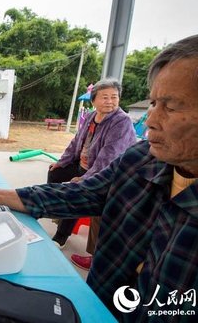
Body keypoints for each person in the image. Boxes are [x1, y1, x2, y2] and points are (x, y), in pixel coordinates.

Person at [0, 28, 198, 321]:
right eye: (154, 103)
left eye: (172, 106)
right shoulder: (141, 160)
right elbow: (84, 191)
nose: (150, 120)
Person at [48, 78, 136, 271]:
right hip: (85, 165)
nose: (110, 101)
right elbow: (76, 142)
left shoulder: (121, 122)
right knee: (55, 173)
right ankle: (58, 212)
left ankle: (62, 235)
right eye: (104, 97)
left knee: (76, 191)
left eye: (114, 97)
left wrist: (85, 179)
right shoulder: (90, 117)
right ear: (93, 100)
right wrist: (61, 162)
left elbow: (109, 157)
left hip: (108, 175)